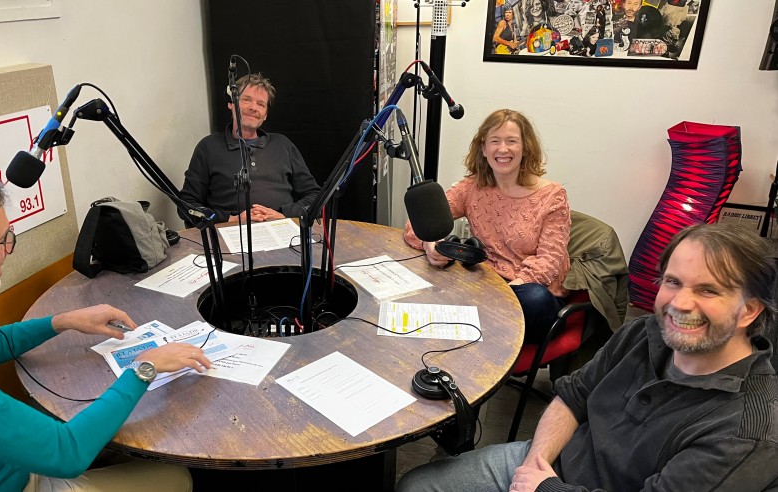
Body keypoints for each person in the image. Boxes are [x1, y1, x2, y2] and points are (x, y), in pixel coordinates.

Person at [397, 223, 778, 491]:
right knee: (418, 485)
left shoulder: (748, 430)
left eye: (708, 290)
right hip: (549, 466)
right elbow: (574, 395)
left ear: (749, 310)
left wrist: (545, 488)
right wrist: (535, 465)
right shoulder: (642, 333)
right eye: (673, 282)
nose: (679, 303)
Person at [0, 170, 213, 491]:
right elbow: (67, 453)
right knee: (178, 477)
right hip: (13, 482)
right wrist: (144, 368)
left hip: (8, 458)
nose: (9, 249)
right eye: (2, 240)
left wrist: (64, 320)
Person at [403, 109, 570, 344]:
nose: (503, 149)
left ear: (525, 148)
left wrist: (503, 295)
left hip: (528, 289)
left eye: (512, 141)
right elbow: (419, 223)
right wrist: (429, 244)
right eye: (495, 141)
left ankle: (471, 335)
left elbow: (549, 262)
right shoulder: (470, 188)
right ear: (483, 148)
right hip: (486, 284)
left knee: (534, 298)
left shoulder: (553, 195)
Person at [179, 73, 320, 225]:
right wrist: (230, 219)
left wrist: (283, 215)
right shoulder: (208, 147)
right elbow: (186, 204)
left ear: (265, 115)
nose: (253, 108)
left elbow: (314, 196)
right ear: (231, 103)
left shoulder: (283, 145)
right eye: (246, 100)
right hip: (229, 232)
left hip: (282, 229)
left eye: (261, 104)